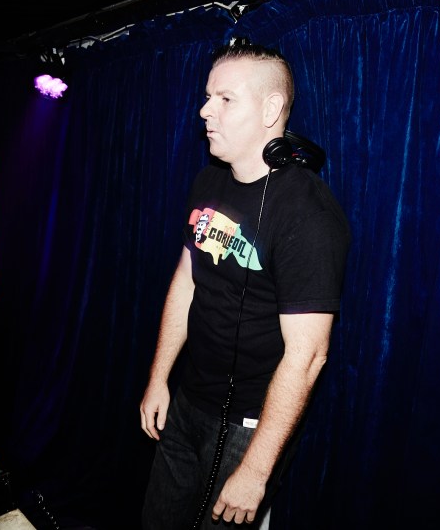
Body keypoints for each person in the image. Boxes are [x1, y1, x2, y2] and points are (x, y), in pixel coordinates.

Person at [139, 41, 351, 529]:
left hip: (250, 426)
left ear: (271, 109)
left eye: (225, 99)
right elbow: (186, 280)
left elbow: (308, 356)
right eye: (207, 96)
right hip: (189, 399)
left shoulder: (308, 215)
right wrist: (159, 378)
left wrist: (256, 469)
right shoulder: (207, 182)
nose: (204, 110)